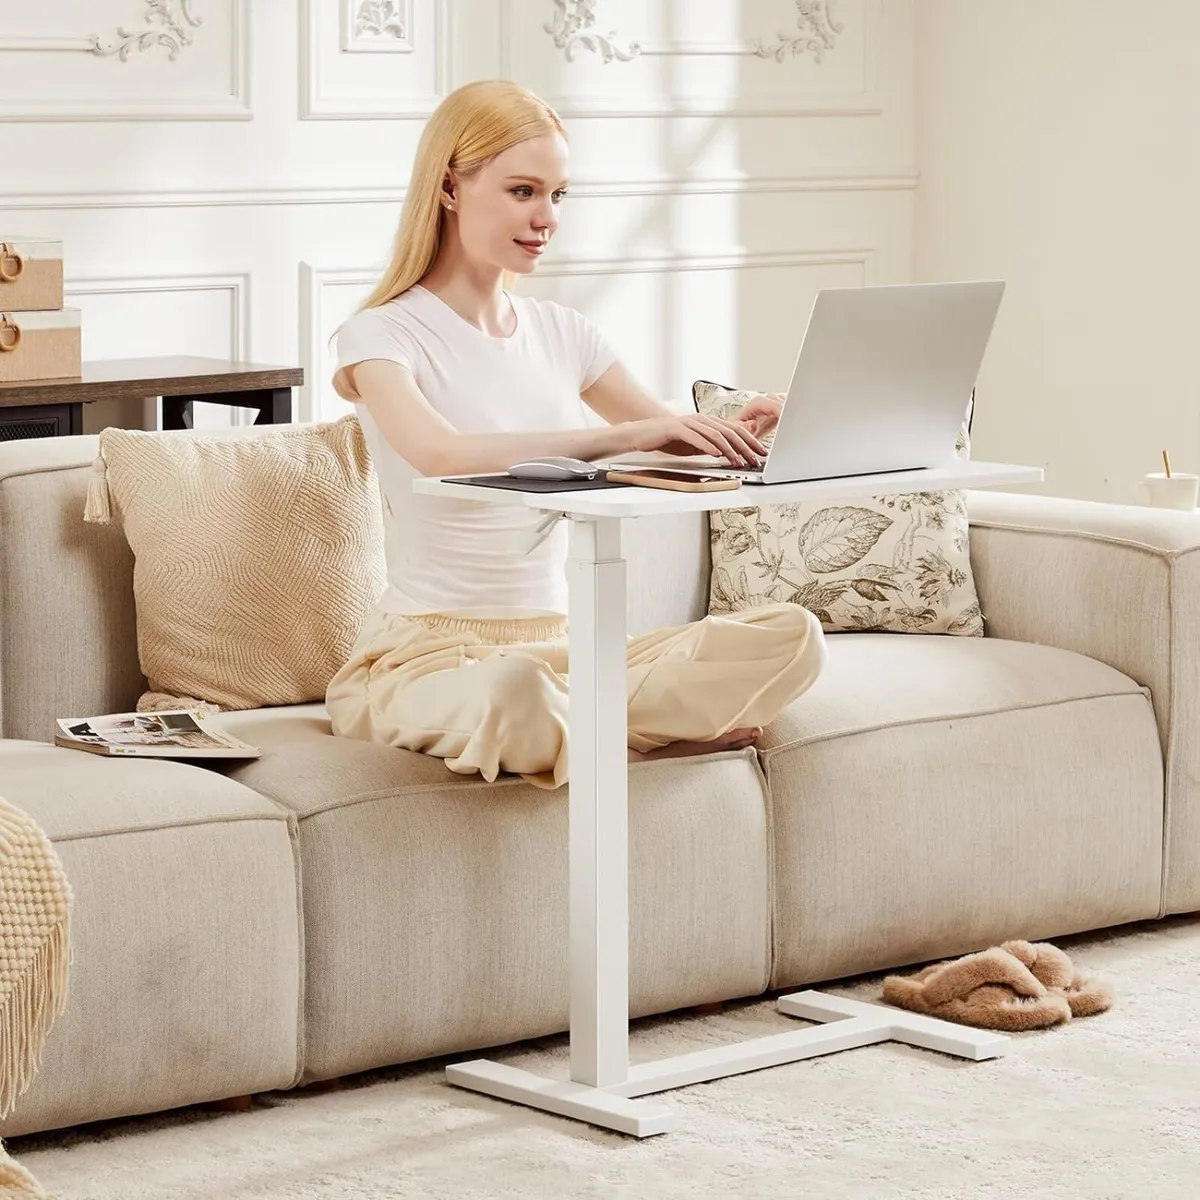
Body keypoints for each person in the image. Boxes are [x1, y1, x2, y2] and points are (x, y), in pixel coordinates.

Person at [325, 79, 827, 790]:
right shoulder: (379, 334)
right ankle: (629, 751)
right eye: (523, 191)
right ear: (449, 188)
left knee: (791, 639)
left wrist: (746, 427)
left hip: (568, 648)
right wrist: (609, 438)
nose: (546, 217)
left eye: (558, 196)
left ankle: (579, 738)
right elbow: (441, 453)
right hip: (429, 658)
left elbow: (663, 440)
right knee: (514, 695)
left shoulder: (564, 331)